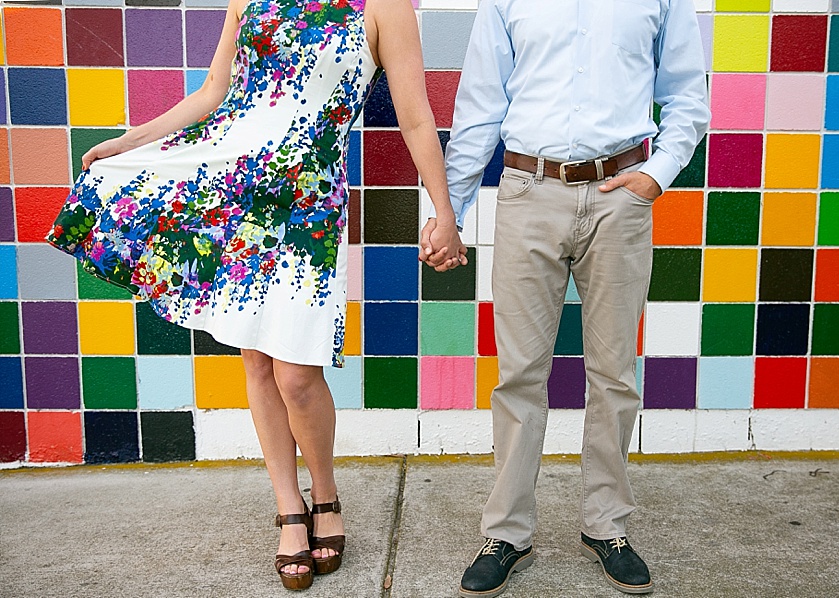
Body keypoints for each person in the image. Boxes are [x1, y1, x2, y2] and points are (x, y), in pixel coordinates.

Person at [47, 0, 464, 591]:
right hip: (231, 197)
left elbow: (416, 119)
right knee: (258, 361)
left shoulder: (384, 6)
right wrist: (130, 142)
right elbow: (213, 92)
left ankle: (326, 494)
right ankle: (290, 507)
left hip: (307, 210)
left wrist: (444, 212)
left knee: (297, 375)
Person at [420, 0, 710, 595]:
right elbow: (480, 106)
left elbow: (688, 94)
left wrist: (657, 174)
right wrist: (449, 212)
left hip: (620, 195)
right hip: (528, 191)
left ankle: (608, 526)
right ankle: (507, 533)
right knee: (519, 374)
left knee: (614, 373)